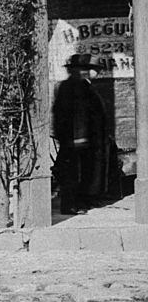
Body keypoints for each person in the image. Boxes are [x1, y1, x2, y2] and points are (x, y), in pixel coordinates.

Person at [52, 53, 107, 215]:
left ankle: (77, 202)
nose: (96, 72)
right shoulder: (75, 86)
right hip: (76, 138)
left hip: (77, 138)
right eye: (92, 69)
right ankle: (70, 205)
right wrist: (79, 138)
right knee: (73, 173)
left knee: (76, 171)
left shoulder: (79, 85)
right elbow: (77, 115)